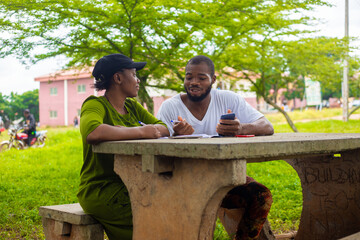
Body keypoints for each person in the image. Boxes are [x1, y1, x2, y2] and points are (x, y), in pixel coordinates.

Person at [157, 55, 274, 240]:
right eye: (189, 77)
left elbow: (267, 126)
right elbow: (157, 150)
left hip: (225, 180)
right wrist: (175, 137)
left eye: (201, 78)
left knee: (261, 196)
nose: (194, 82)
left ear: (213, 79)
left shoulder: (228, 99)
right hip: (183, 183)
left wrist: (241, 128)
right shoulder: (169, 107)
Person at [77, 54, 170, 240]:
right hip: (101, 189)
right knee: (154, 222)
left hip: (132, 184)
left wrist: (128, 130)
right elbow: (93, 132)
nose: (138, 81)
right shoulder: (95, 104)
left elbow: (164, 128)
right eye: (134, 74)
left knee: (170, 208)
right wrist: (141, 132)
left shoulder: (132, 106)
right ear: (118, 78)